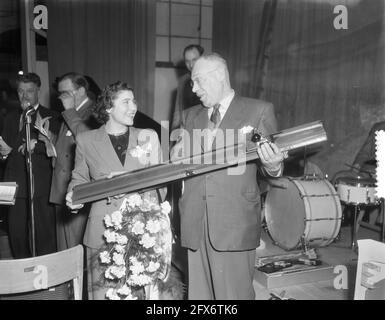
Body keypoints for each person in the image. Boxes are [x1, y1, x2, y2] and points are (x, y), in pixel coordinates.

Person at [171, 53, 284, 300]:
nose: (194, 89)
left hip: (233, 222)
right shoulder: (190, 116)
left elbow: (270, 168)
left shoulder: (259, 110)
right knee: (199, 298)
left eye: (198, 81)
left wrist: (274, 165)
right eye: (192, 82)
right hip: (194, 219)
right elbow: (183, 163)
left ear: (220, 75)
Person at [65, 82, 163, 300]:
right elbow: (79, 179)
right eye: (126, 101)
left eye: (134, 101)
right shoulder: (86, 140)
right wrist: (73, 196)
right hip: (102, 233)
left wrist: (127, 184)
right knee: (102, 295)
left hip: (140, 232)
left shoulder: (148, 136)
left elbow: (160, 184)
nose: (134, 107)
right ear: (108, 107)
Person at [0, 72, 60, 258]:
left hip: (39, 185)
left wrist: (37, 146)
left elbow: (55, 148)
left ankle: (46, 277)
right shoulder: (10, 117)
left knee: (42, 234)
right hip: (12, 184)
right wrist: (3, 154)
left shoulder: (51, 116)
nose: (24, 96)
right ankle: (23, 275)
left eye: (29, 91)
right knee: (16, 232)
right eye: (20, 91)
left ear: (38, 92)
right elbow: (7, 148)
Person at [50, 72, 99, 251]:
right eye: (60, 93)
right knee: (63, 249)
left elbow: (87, 139)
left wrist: (69, 110)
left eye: (66, 92)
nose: (61, 97)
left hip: (77, 189)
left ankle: (76, 280)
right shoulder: (70, 113)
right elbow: (67, 144)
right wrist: (50, 140)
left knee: (74, 248)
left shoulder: (93, 111)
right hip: (61, 187)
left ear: (80, 91)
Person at [171, 44, 204, 134]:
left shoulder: (209, 78)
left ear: (202, 58)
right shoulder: (182, 81)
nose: (191, 65)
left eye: (194, 60)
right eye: (187, 61)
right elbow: (178, 111)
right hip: (186, 128)